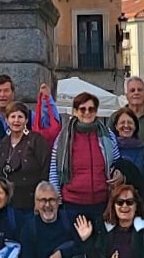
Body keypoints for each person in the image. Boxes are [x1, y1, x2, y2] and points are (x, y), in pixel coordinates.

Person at [48, 91, 117, 226]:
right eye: (82, 109)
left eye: (91, 109)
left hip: (101, 203)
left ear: (96, 111)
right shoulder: (63, 138)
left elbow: (116, 162)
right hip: (72, 204)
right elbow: (54, 170)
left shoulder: (108, 135)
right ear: (75, 111)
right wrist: (57, 200)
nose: (87, 112)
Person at [0, 103, 52, 210]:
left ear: (26, 120)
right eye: (12, 117)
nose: (16, 120)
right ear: (7, 120)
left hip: (30, 201)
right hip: (5, 202)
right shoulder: (2, 143)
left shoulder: (36, 140)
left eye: (20, 117)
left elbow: (46, 169)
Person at [109, 106, 144, 212]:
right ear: (116, 126)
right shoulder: (109, 148)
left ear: (135, 126)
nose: (126, 126)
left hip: (138, 204)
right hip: (113, 205)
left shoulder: (143, 150)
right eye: (122, 122)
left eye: (130, 122)